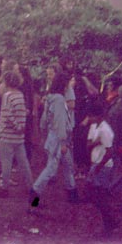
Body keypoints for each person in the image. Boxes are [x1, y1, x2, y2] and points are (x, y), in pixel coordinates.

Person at [30, 72, 78, 207]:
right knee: (51, 168)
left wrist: (45, 131)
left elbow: (44, 120)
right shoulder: (58, 100)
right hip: (59, 138)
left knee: (68, 164)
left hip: (55, 135)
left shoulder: (50, 98)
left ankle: (72, 191)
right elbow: (60, 122)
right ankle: (34, 193)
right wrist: (63, 142)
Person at [82, 100, 117, 237]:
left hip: (102, 166)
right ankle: (110, 221)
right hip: (96, 163)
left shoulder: (105, 129)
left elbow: (109, 152)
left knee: (101, 196)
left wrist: (99, 167)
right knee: (94, 193)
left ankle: (109, 225)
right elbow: (88, 145)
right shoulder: (95, 126)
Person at [0, 70, 32, 198]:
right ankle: (30, 186)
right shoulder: (20, 95)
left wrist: (16, 127)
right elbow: (21, 113)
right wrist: (20, 127)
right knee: (24, 163)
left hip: (7, 135)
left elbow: (7, 114)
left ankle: (4, 188)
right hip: (19, 136)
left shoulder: (7, 96)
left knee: (6, 163)